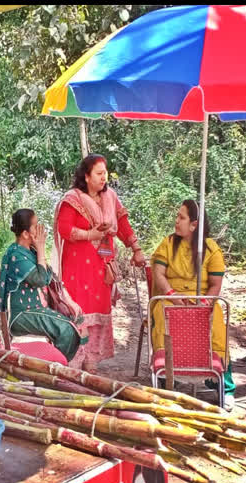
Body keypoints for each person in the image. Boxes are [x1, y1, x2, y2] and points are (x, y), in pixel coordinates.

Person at [53, 153, 146, 373]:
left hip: (102, 267)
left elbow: (123, 225)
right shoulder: (72, 199)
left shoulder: (110, 197)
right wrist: (90, 234)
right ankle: (76, 360)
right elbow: (64, 229)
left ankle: (92, 359)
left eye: (105, 173)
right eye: (99, 173)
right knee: (79, 310)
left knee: (98, 309)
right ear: (86, 176)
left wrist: (136, 248)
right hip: (78, 267)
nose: (104, 178)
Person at [150, 200, 235, 411]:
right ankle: (165, 377)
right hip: (170, 297)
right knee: (163, 318)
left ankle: (224, 386)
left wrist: (202, 304)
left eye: (181, 217)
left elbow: (215, 285)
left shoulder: (211, 249)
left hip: (203, 300)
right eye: (177, 216)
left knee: (216, 326)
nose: (176, 221)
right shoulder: (168, 244)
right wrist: (173, 295)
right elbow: (158, 274)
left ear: (194, 225)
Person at [0, 209, 88, 361]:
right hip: (21, 314)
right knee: (66, 329)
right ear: (26, 234)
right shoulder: (16, 255)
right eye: (36, 226)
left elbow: (50, 277)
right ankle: (53, 368)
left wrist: (69, 301)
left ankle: (54, 365)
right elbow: (40, 279)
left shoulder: (29, 251)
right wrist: (41, 248)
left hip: (35, 309)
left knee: (72, 321)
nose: (41, 230)